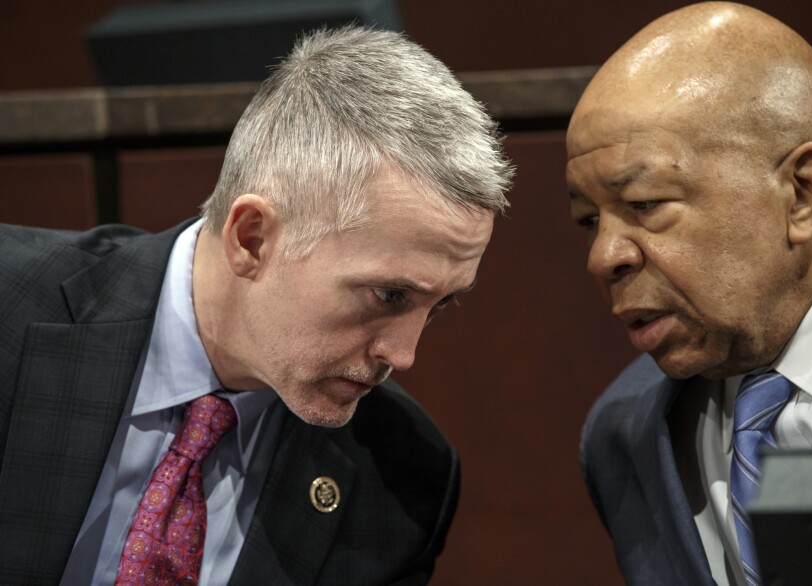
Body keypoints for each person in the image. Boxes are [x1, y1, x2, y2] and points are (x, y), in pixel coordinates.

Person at [0, 26, 512, 585]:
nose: (404, 355)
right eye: (389, 295)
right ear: (252, 239)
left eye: (439, 306)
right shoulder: (13, 304)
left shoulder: (403, 479)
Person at [568, 2, 812, 585]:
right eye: (590, 220)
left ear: (804, 192)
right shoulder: (623, 434)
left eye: (644, 204)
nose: (603, 256)